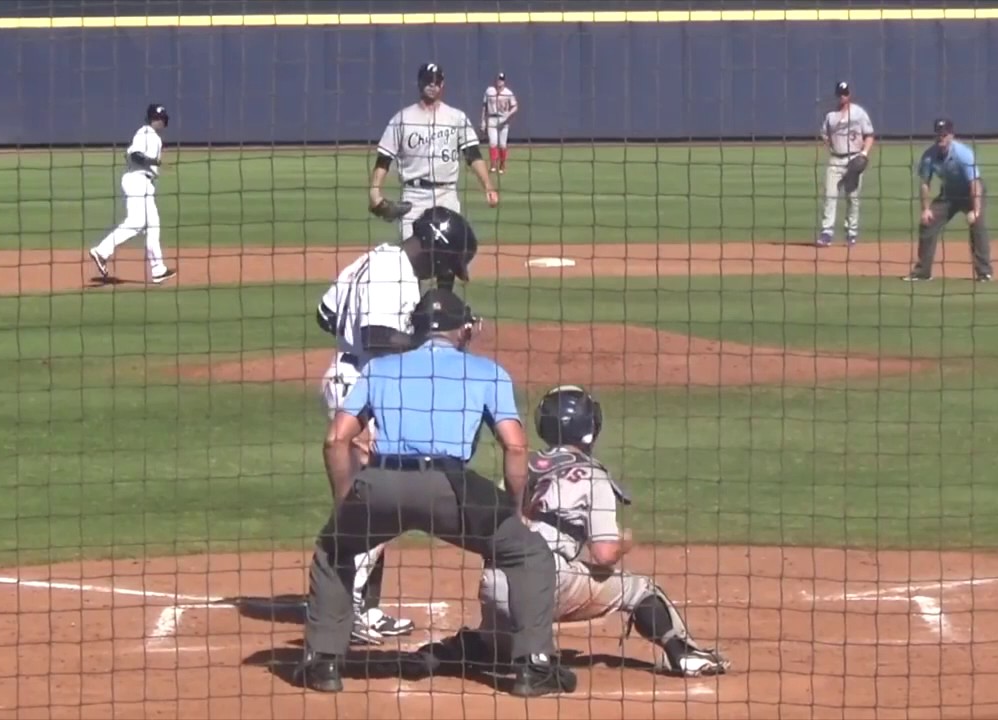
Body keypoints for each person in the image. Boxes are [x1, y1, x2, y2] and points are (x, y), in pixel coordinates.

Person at [294, 289, 575, 698]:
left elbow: (336, 439)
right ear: (464, 330)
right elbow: (515, 447)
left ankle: (323, 665)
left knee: (335, 547)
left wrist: (346, 501)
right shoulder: (487, 371)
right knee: (528, 553)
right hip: (451, 488)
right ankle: (534, 667)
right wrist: (513, 512)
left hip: (382, 483)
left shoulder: (379, 369)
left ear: (416, 328)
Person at [417, 385, 732, 678]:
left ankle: (449, 653)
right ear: (590, 427)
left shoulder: (522, 469)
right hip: (546, 583)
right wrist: (623, 543)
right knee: (640, 590)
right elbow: (604, 555)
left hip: (495, 583)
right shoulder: (593, 476)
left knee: (499, 644)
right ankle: (684, 653)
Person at [313, 206, 478, 645]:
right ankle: (346, 610)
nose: (445, 273)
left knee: (375, 500)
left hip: (354, 380)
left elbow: (325, 314)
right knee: (374, 503)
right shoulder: (392, 273)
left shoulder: (378, 259)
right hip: (361, 390)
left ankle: (365, 608)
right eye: (448, 263)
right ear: (436, 250)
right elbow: (377, 336)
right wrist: (436, 338)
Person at [370, 62, 498, 244]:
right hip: (413, 196)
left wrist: (488, 186)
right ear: (419, 82)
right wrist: (374, 192)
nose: (432, 85)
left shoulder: (456, 118)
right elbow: (384, 159)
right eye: (428, 80)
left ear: (442, 84)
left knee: (448, 254)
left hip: (446, 196)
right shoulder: (402, 119)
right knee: (411, 253)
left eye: (437, 81)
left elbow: (473, 155)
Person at [88, 104, 176, 284]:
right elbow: (135, 155)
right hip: (137, 181)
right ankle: (102, 251)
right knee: (137, 222)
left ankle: (158, 270)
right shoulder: (145, 133)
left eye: (162, 119)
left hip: (144, 182)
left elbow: (129, 155)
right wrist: (155, 162)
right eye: (158, 118)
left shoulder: (151, 136)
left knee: (153, 226)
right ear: (152, 119)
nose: (161, 122)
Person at [904, 118, 994, 282]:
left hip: (971, 192)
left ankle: (984, 272)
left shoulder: (963, 154)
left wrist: (976, 210)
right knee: (928, 223)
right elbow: (925, 183)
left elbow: (974, 183)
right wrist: (926, 210)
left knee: (977, 225)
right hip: (949, 194)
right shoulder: (929, 156)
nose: (941, 138)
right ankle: (923, 272)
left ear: (951, 135)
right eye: (938, 134)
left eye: (944, 135)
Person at [817, 81, 876, 247]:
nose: (842, 96)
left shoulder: (859, 113)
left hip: (854, 159)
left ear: (849, 94)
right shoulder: (831, 116)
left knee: (852, 198)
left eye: (845, 93)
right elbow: (824, 134)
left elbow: (870, 135)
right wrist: (832, 146)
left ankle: (851, 233)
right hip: (835, 160)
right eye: (840, 94)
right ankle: (827, 232)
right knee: (829, 196)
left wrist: (864, 154)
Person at [481, 72, 518, 174]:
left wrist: (508, 114)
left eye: (501, 79)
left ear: (504, 81)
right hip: (492, 118)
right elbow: (484, 107)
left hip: (503, 120)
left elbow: (515, 106)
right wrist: (483, 121)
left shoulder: (508, 93)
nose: (499, 81)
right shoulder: (489, 91)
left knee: (502, 144)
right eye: (498, 79)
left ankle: (502, 164)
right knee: (493, 142)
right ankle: (493, 164)